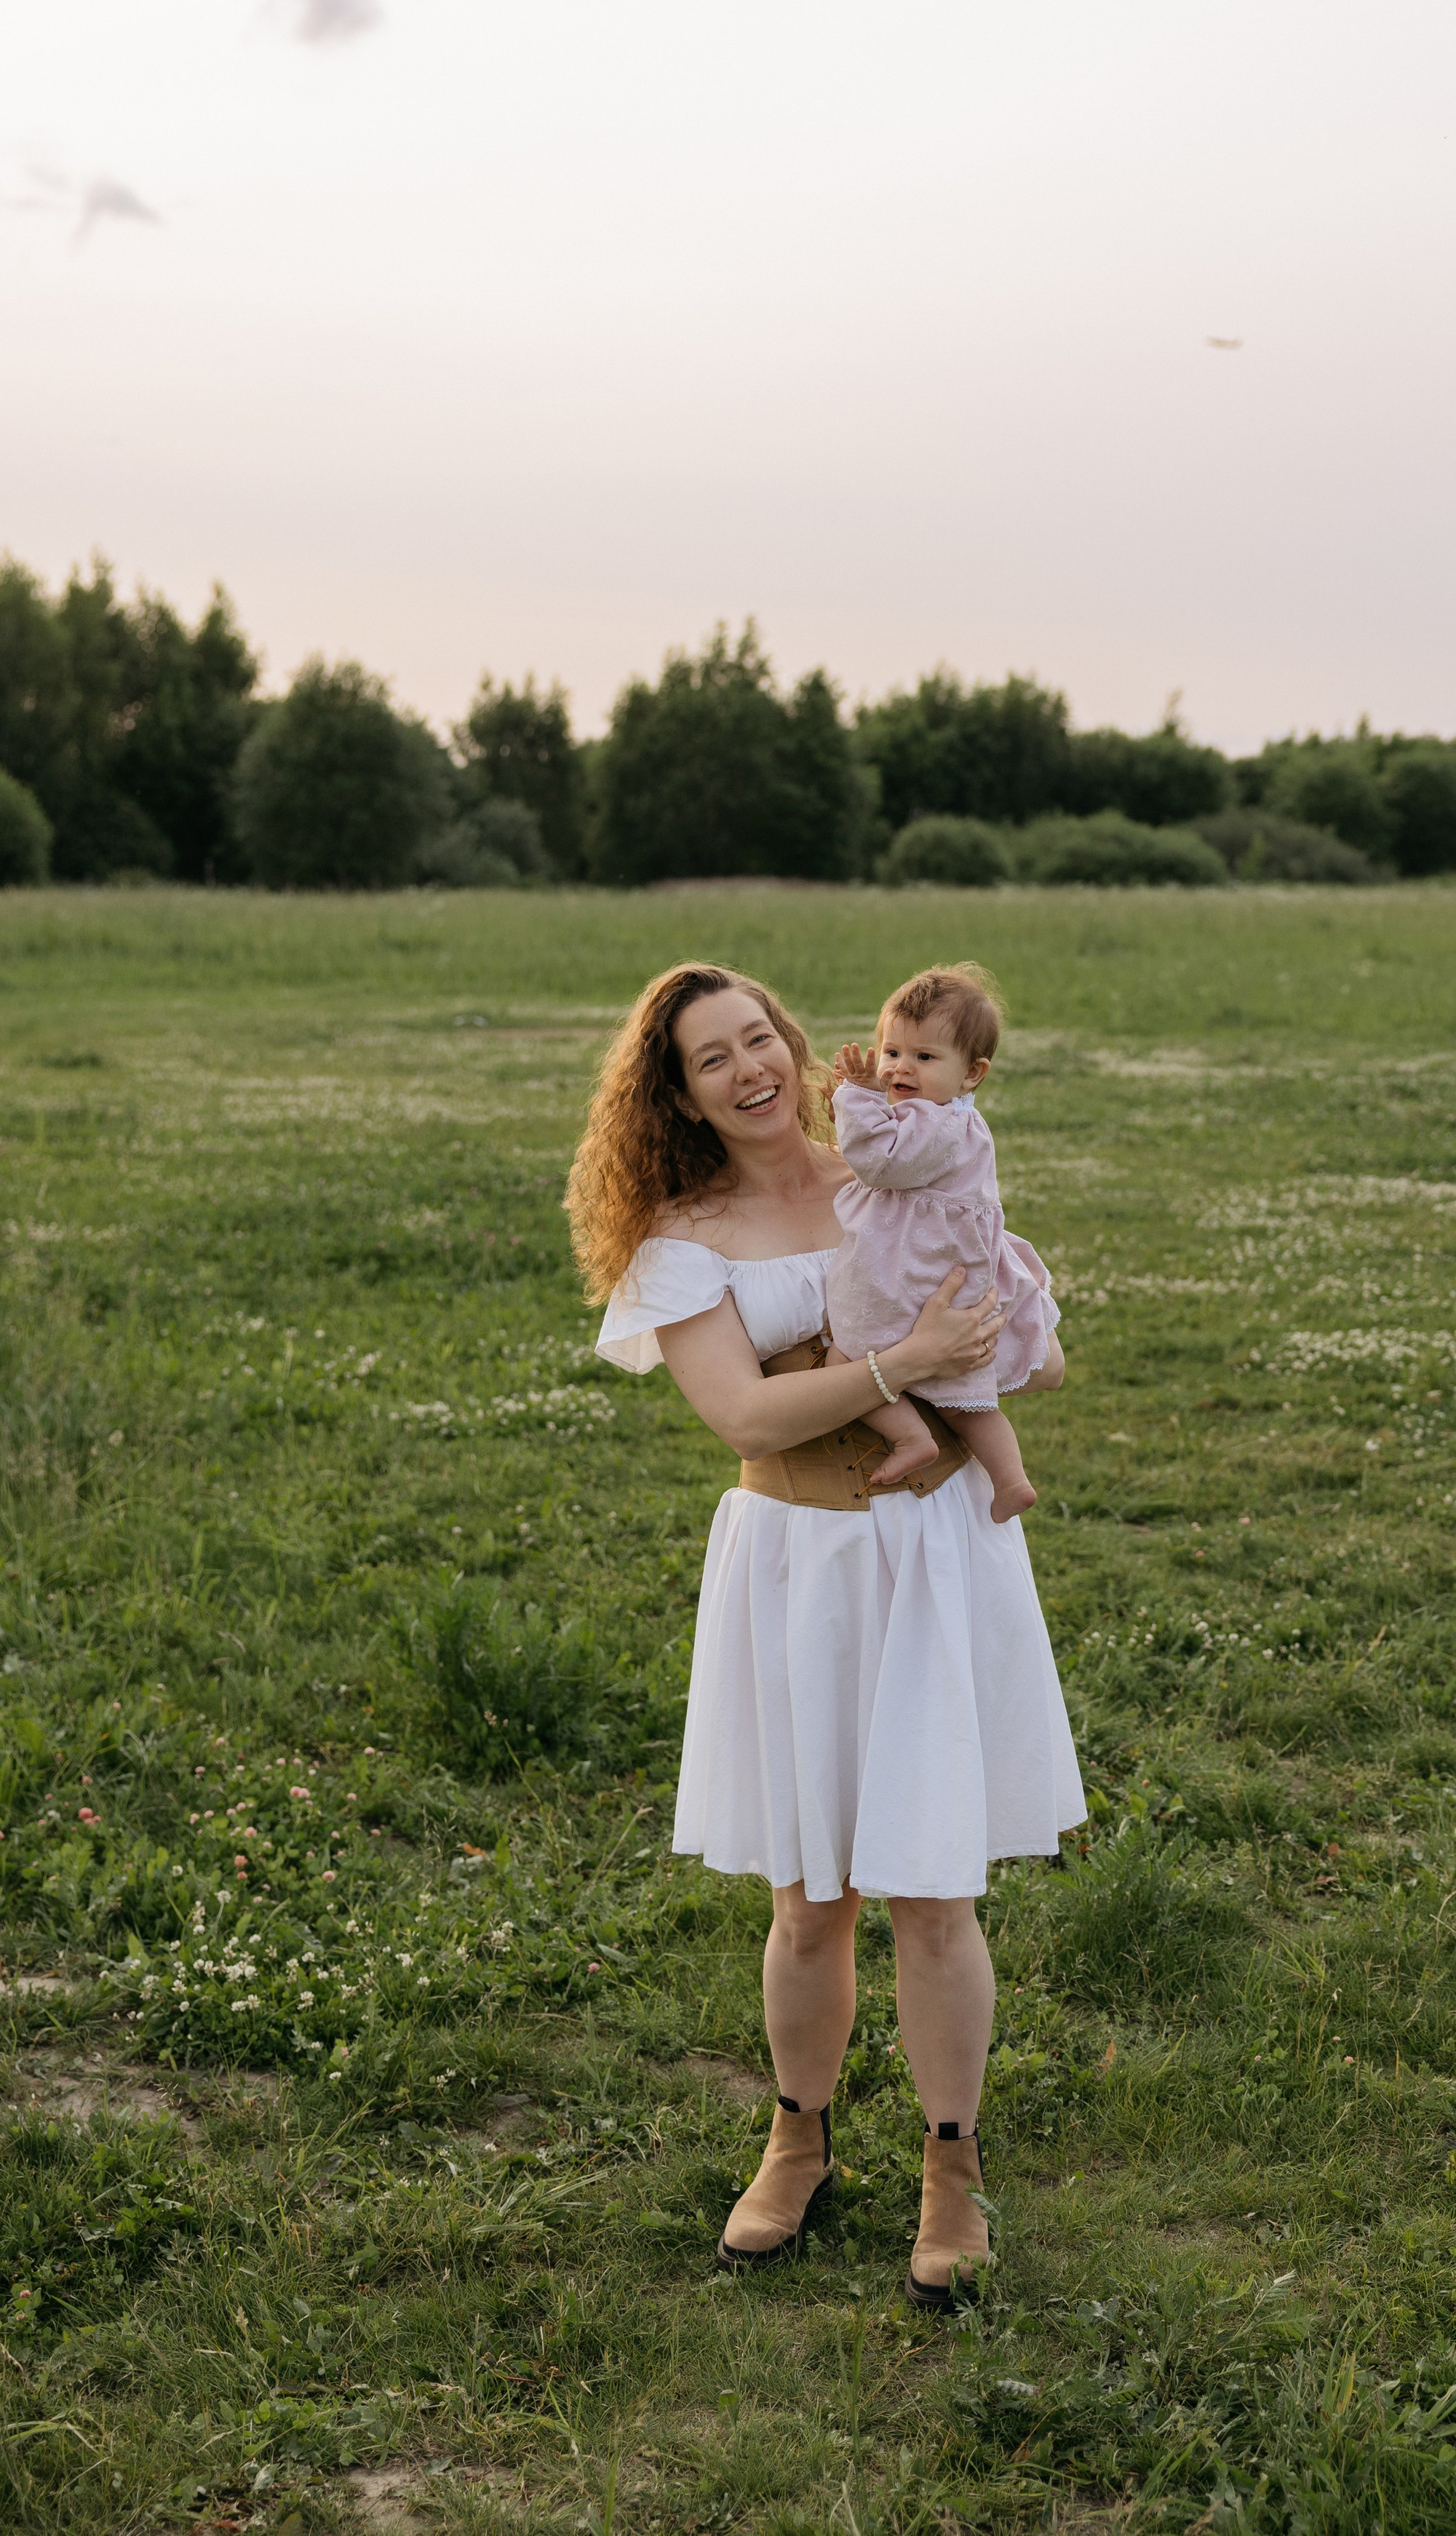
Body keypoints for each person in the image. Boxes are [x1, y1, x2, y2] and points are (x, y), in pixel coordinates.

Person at [565, 961, 1084, 2310]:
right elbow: (745, 1418)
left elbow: (993, 1312)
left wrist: (981, 1346)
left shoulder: (889, 1169)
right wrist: (902, 1365)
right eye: (708, 1059)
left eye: (758, 1038)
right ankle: (796, 2139)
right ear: (674, 1095)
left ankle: (951, 2170)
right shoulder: (680, 1239)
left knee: (932, 1895)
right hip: (797, 1566)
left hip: (931, 1554)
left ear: (794, 1045)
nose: (746, 1069)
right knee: (810, 1905)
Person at [822, 962, 1054, 1524]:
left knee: (845, 1356)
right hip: (940, 1271)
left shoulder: (939, 1126)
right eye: (892, 1051)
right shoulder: (947, 1119)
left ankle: (911, 1439)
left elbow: (878, 1162)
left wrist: (855, 1097)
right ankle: (1010, 1479)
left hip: (918, 1278)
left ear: (973, 1074)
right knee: (968, 1401)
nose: (901, 1068)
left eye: (925, 1058)